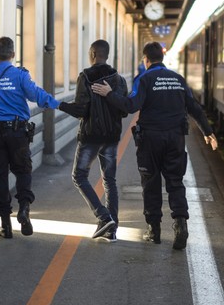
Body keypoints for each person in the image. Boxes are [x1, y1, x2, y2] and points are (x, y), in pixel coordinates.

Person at [92, 42, 217, 250]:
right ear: (162, 58)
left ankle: (154, 231)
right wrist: (208, 132)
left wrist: (109, 94)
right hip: (175, 138)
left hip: (150, 140)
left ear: (146, 60)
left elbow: (131, 105)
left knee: (151, 184)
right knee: (175, 182)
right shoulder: (178, 79)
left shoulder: (145, 79)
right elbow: (194, 107)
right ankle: (180, 225)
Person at [0, 36, 60, 239]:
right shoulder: (20, 76)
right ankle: (24, 208)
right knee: (23, 170)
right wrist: (58, 104)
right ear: (13, 54)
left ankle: (5, 225)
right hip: (17, 133)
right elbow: (36, 95)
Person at [58, 40, 128, 241]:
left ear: (93, 53)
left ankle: (103, 216)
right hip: (112, 137)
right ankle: (111, 230)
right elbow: (124, 110)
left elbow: (81, 110)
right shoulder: (119, 80)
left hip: (90, 137)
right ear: (107, 54)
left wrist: (61, 105)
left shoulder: (86, 77)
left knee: (79, 176)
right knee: (110, 181)